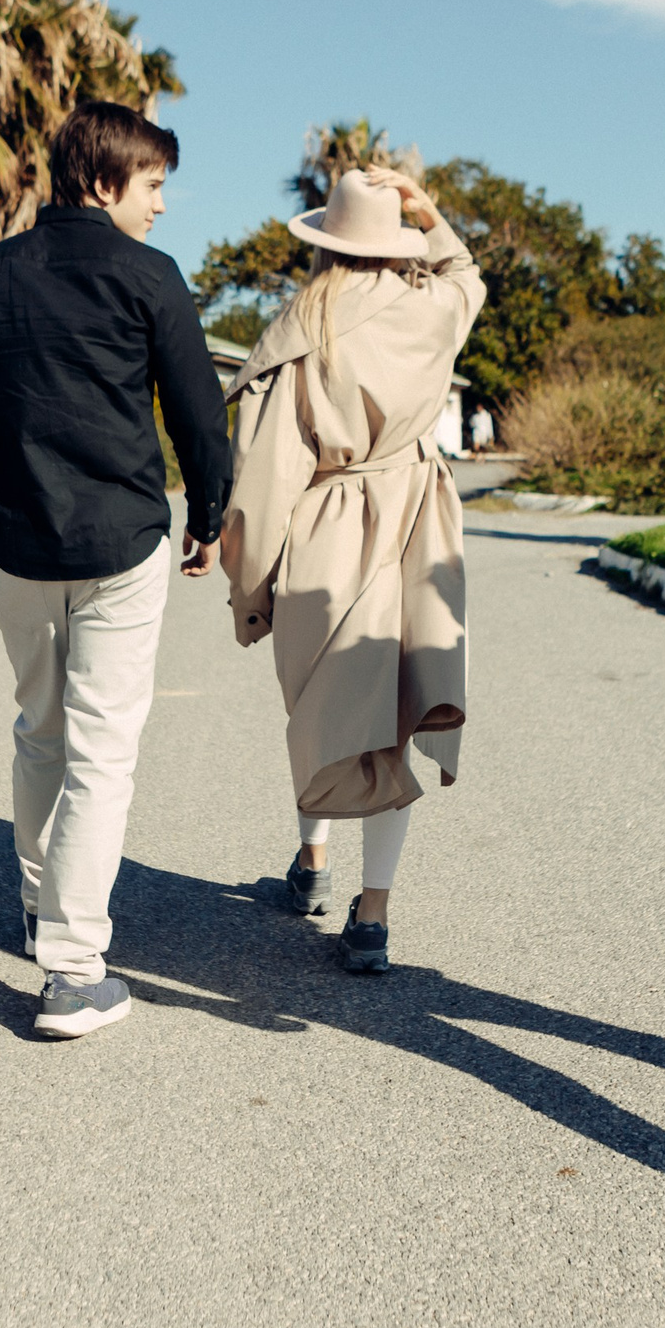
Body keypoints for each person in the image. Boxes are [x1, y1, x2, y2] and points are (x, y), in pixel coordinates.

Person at [0, 100, 232, 1040]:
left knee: (41, 730)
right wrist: (210, 514)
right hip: (122, 545)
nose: (162, 206)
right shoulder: (149, 277)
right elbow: (198, 416)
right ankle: (72, 970)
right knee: (102, 753)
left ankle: (36, 905)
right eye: (155, 185)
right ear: (104, 179)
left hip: (14, 544)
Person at [220, 168, 484, 973]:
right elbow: (465, 273)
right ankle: (373, 913)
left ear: (325, 242)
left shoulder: (301, 330)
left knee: (326, 707)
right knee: (393, 717)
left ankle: (314, 865)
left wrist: (250, 588)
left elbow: (265, 476)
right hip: (417, 522)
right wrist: (427, 207)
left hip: (329, 525)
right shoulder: (434, 312)